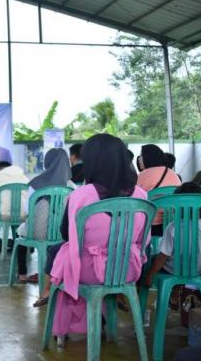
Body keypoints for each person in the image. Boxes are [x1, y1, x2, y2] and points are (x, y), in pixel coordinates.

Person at [46, 134, 150, 344]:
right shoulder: (140, 195)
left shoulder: (82, 195)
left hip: (88, 271)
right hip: (127, 268)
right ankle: (103, 318)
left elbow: (67, 234)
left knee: (63, 254)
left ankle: (63, 326)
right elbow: (143, 240)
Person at [143, 182, 201, 307]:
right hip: (198, 270)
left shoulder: (172, 227)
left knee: (152, 259)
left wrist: (149, 276)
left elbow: (163, 257)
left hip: (172, 270)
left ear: (176, 207)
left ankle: (173, 295)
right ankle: (185, 294)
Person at [16, 148, 73, 282]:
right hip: (62, 234)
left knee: (20, 234)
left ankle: (22, 274)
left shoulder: (36, 183)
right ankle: (54, 276)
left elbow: (27, 209)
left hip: (38, 232)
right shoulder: (71, 186)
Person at [137, 144, 182, 236]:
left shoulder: (141, 176)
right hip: (174, 222)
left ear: (148, 158)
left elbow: (135, 200)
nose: (139, 159)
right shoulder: (173, 174)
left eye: (141, 156)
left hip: (149, 224)